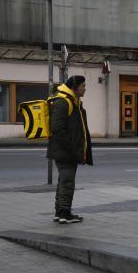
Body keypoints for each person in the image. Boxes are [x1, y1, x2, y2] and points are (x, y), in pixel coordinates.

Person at [47, 75, 93, 224]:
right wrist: (72, 148)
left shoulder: (73, 101)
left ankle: (60, 211)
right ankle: (64, 213)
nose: (85, 89)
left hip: (66, 150)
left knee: (63, 181)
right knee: (67, 182)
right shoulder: (64, 102)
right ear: (75, 87)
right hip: (65, 151)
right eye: (83, 86)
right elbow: (57, 128)